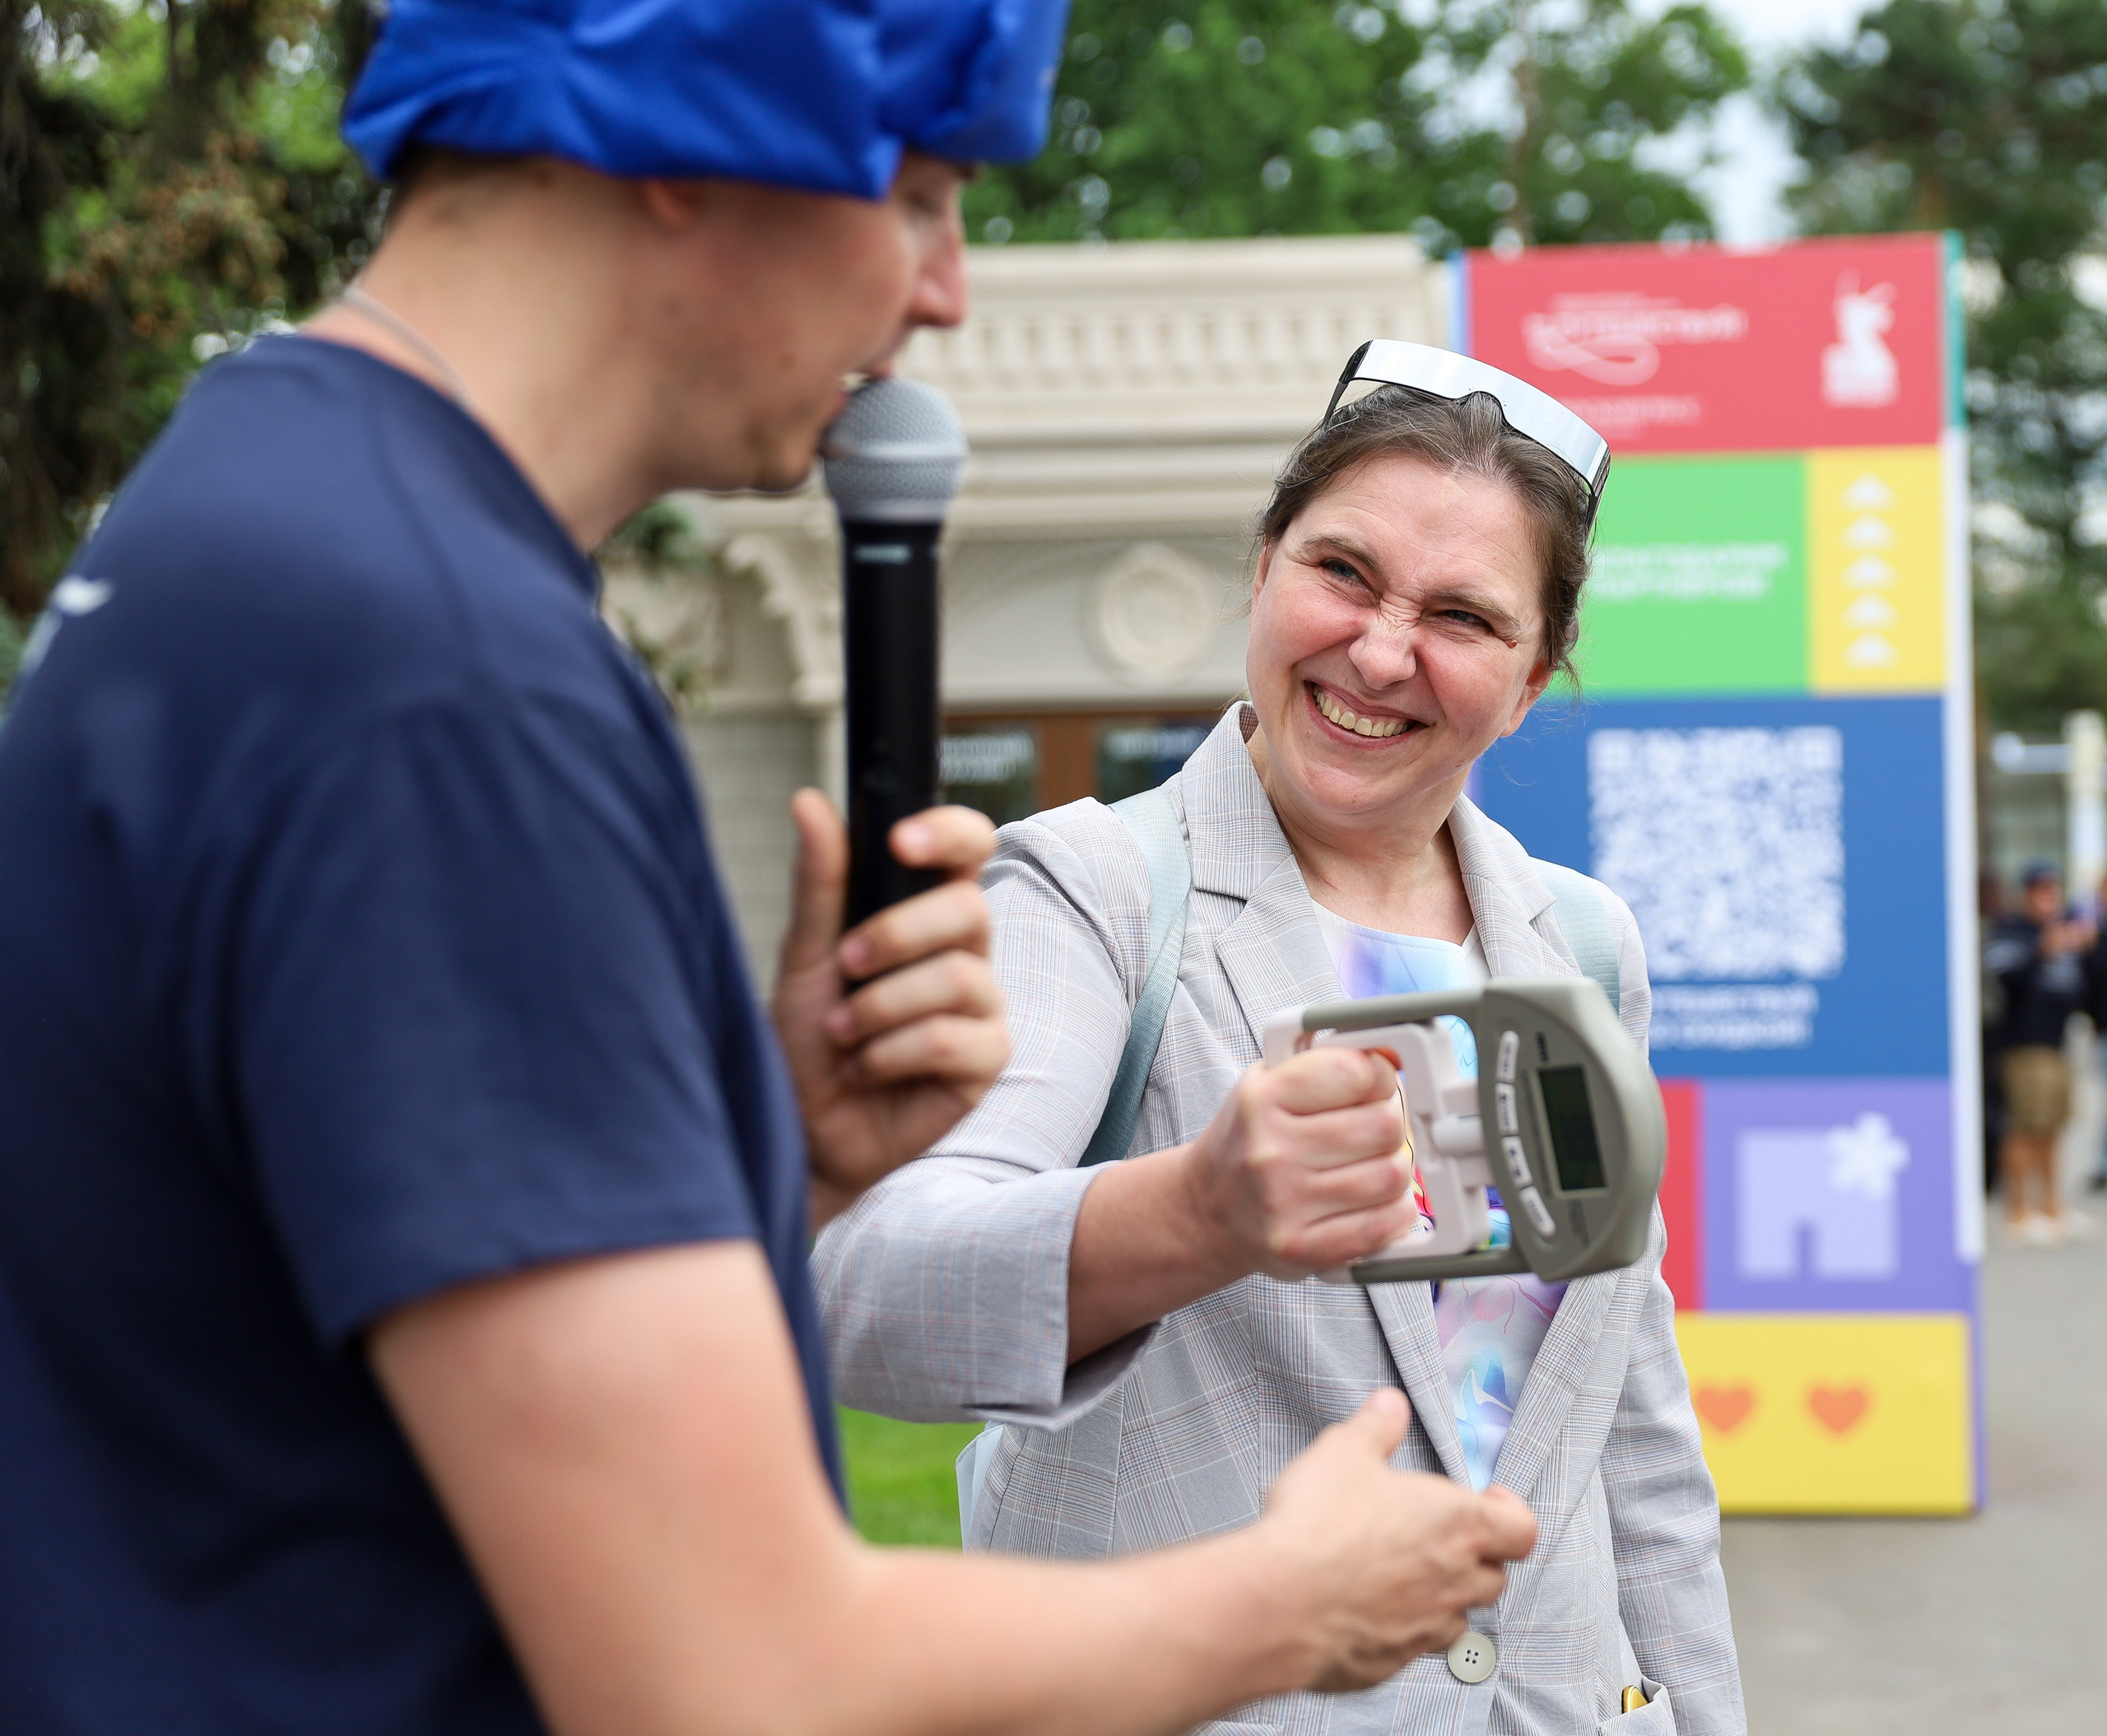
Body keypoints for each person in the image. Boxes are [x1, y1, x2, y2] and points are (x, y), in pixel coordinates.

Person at [0, 5, 1541, 1733]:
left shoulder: (265, 484)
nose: (943, 287)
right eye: (922, 190)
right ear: (693, 121)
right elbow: (723, 1671)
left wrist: (763, 1147)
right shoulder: (432, 673)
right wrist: (1285, 1602)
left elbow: (297, 1329)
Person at [816, 359, 1745, 1733]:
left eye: (1462, 615)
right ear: (1262, 568)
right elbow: (873, 1298)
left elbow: (1630, 1420)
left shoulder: (1585, 944)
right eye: (1345, 572)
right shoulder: (1096, 888)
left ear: (1533, 677)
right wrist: (1199, 1209)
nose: (1380, 650)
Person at [1986, 863, 2095, 1243]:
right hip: (2023, 1045)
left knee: (2053, 1126)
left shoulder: (2066, 932)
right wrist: (2043, 950)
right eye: (2038, 891)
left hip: (2058, 1042)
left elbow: (2083, 990)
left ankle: (2052, 1207)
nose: (2046, 899)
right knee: (2023, 1128)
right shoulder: (2012, 931)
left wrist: (2086, 945)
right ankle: (2018, 1212)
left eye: (2051, 891)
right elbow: (2006, 980)